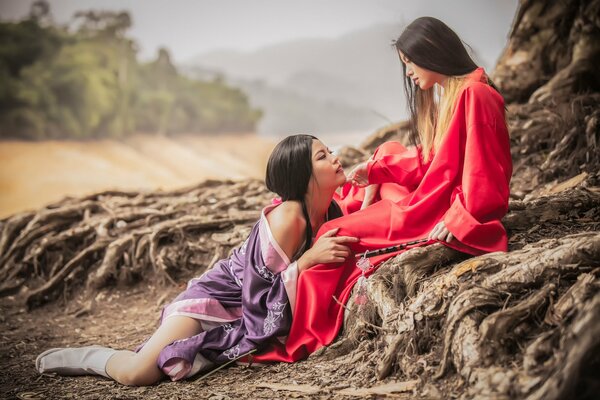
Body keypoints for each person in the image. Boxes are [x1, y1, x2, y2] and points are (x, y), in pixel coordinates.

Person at [251, 16, 512, 363]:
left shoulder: (476, 94)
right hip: (428, 201)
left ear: (431, 52)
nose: (408, 73)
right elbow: (436, 161)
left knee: (332, 231)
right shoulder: (457, 93)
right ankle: (313, 318)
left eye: (409, 63)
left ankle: (306, 336)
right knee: (376, 169)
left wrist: (461, 219)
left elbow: (487, 174)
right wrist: (375, 170)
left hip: (432, 212)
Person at [35, 134, 358, 385]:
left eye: (329, 151)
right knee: (139, 374)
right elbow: (258, 294)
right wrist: (305, 262)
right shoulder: (290, 218)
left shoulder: (329, 209)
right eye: (323, 156)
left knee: (153, 370)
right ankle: (86, 356)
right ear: (302, 175)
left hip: (245, 307)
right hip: (216, 298)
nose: (335, 157)